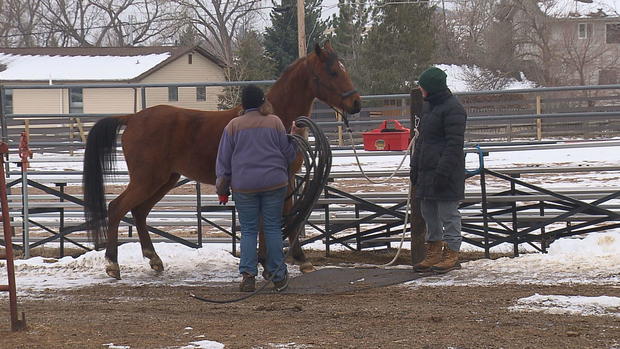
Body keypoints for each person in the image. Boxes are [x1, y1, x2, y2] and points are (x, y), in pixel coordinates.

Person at [215, 85, 299, 292]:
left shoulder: (233, 126)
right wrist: (295, 136)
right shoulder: (275, 122)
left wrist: (222, 187)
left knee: (249, 230)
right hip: (274, 183)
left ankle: (248, 276)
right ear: (263, 102)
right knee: (272, 228)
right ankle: (278, 276)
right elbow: (288, 155)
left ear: (243, 104)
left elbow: (223, 160)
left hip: (244, 186)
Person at [410, 66, 468, 274]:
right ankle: (433, 250)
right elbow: (422, 140)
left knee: (448, 213)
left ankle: (451, 251)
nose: (421, 90)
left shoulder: (454, 109)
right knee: (429, 212)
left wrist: (443, 172)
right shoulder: (430, 108)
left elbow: (454, 145)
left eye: (423, 87)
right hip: (427, 171)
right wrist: (415, 166)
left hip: (445, 172)